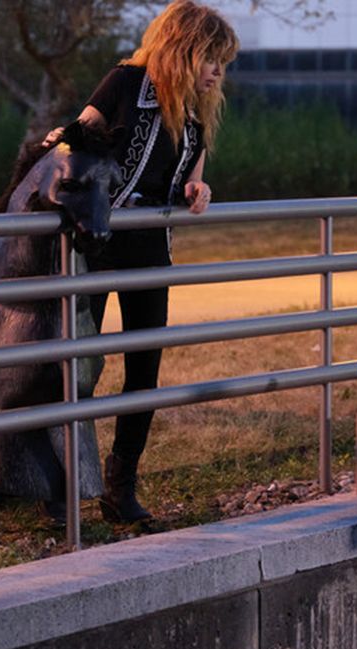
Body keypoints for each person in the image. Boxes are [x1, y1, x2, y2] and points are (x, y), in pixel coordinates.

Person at [45, 0, 238, 522]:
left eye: (222, 61)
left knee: (144, 369)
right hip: (96, 241)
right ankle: (57, 488)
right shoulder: (125, 82)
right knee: (75, 363)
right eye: (210, 58)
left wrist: (200, 189)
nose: (218, 71)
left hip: (152, 246)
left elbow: (193, 174)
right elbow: (71, 144)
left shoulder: (199, 108)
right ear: (182, 51)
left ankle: (119, 488)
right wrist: (63, 145)